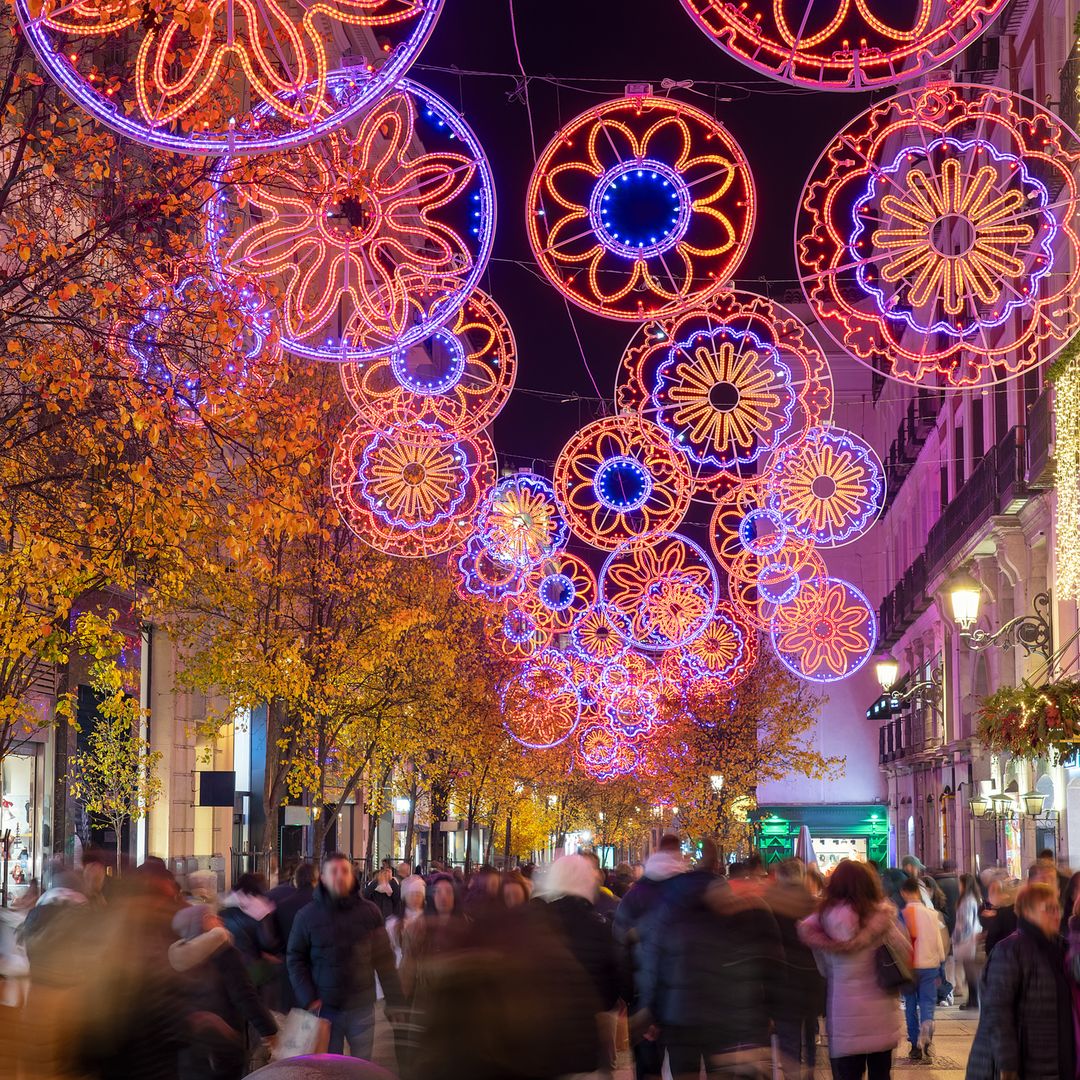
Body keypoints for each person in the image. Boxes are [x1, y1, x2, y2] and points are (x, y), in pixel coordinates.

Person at [640, 845, 781, 1079]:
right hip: (722, 1016)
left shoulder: (670, 913)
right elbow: (751, 962)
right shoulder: (733, 913)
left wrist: (652, 1012)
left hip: (678, 1015)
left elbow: (654, 963)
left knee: (684, 1073)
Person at [799, 860, 909, 1080]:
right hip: (881, 1013)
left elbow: (823, 969)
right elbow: (904, 952)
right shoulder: (882, 917)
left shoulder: (823, 921)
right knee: (880, 1074)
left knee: (848, 1074)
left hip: (844, 1014)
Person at [287, 852, 404, 1058]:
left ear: (352, 876)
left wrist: (394, 1001)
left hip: (362, 1006)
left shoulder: (369, 912)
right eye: (334, 872)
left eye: (345, 871)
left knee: (361, 1067)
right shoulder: (307, 916)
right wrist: (308, 997)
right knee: (330, 1068)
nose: (340, 876)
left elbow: (384, 959)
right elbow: (296, 959)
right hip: (325, 1009)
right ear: (322, 878)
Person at [966, 881, 1076, 1080]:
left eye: (1057, 908)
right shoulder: (1010, 950)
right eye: (1048, 909)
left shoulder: (1061, 949)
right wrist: (1007, 1065)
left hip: (1052, 1062)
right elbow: (997, 1011)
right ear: (1028, 912)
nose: (1056, 914)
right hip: (1022, 1065)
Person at [170, 904, 277, 1080]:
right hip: (224, 1036)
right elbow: (243, 994)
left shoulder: (177, 958)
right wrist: (267, 1029)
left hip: (189, 1042)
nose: (220, 920)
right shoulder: (224, 952)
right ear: (204, 923)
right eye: (213, 917)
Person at [542, 855, 623, 1078]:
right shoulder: (599, 924)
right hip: (588, 1033)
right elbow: (614, 978)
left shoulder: (541, 918)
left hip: (546, 1032)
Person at [614, 834, 686, 1080]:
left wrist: (628, 995)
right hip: (682, 998)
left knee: (648, 1068)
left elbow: (620, 943)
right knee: (683, 1068)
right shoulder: (687, 893)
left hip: (642, 996)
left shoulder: (636, 894)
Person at [767, 859, 826, 1080]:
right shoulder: (815, 905)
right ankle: (809, 1072)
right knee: (810, 1031)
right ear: (801, 876)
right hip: (812, 980)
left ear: (780, 877)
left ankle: (793, 1075)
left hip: (782, 982)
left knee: (788, 1038)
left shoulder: (771, 906)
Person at [900, 877, 946, 1061]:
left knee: (910, 1005)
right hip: (930, 965)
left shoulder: (903, 914)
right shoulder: (932, 914)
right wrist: (941, 964)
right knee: (927, 1002)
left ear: (904, 893)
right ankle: (927, 1028)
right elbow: (939, 943)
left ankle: (914, 1046)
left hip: (909, 967)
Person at [268, 861, 315, 1010]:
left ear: (295, 880)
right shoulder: (322, 906)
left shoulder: (282, 905)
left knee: (292, 1020)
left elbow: (273, 938)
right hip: (316, 969)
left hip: (289, 970)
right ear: (316, 880)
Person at [953, 873, 983, 1010]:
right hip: (970, 938)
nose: (958, 887)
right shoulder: (973, 899)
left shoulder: (967, 901)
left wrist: (958, 937)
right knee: (970, 971)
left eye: (960, 884)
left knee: (970, 971)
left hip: (967, 940)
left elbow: (966, 923)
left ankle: (973, 1001)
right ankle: (973, 1000)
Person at [983, 878, 1019, 958]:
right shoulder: (999, 912)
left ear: (1004, 895)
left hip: (1003, 959)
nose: (989, 895)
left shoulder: (1007, 914)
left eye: (994, 891)